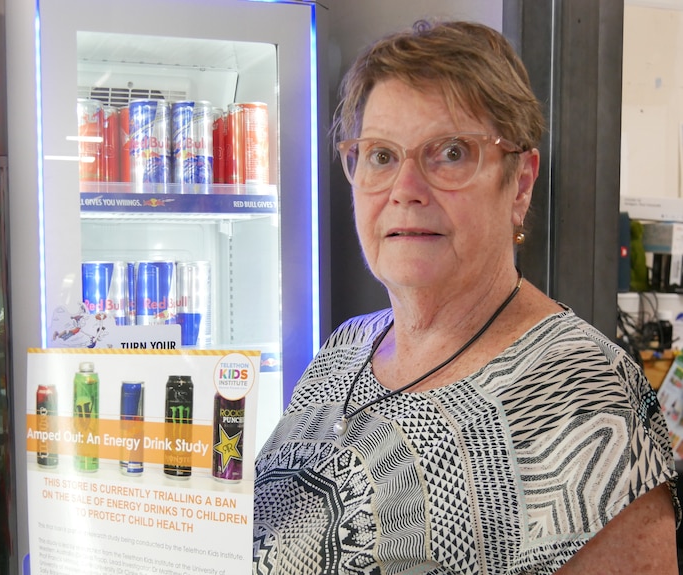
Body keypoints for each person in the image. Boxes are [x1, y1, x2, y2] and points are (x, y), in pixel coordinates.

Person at [253, 19, 679, 574]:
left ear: (520, 183)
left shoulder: (586, 393)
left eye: (450, 153)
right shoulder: (345, 348)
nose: (406, 190)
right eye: (381, 156)